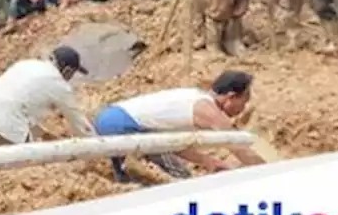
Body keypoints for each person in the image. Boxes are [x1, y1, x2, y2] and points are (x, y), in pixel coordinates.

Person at [93, 70, 266, 184]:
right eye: (244, 101)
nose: (243, 109)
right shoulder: (206, 109)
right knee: (182, 178)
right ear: (231, 97)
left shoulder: (195, 98)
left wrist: (209, 162)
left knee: (127, 182)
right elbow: (238, 145)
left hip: (110, 119)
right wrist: (270, 171)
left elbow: (174, 145)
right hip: (124, 126)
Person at [0, 46, 94, 147]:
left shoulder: (26, 64)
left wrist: (43, 134)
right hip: (7, 123)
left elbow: (15, 101)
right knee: (24, 170)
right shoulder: (58, 84)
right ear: (67, 71)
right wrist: (99, 147)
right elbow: (80, 124)